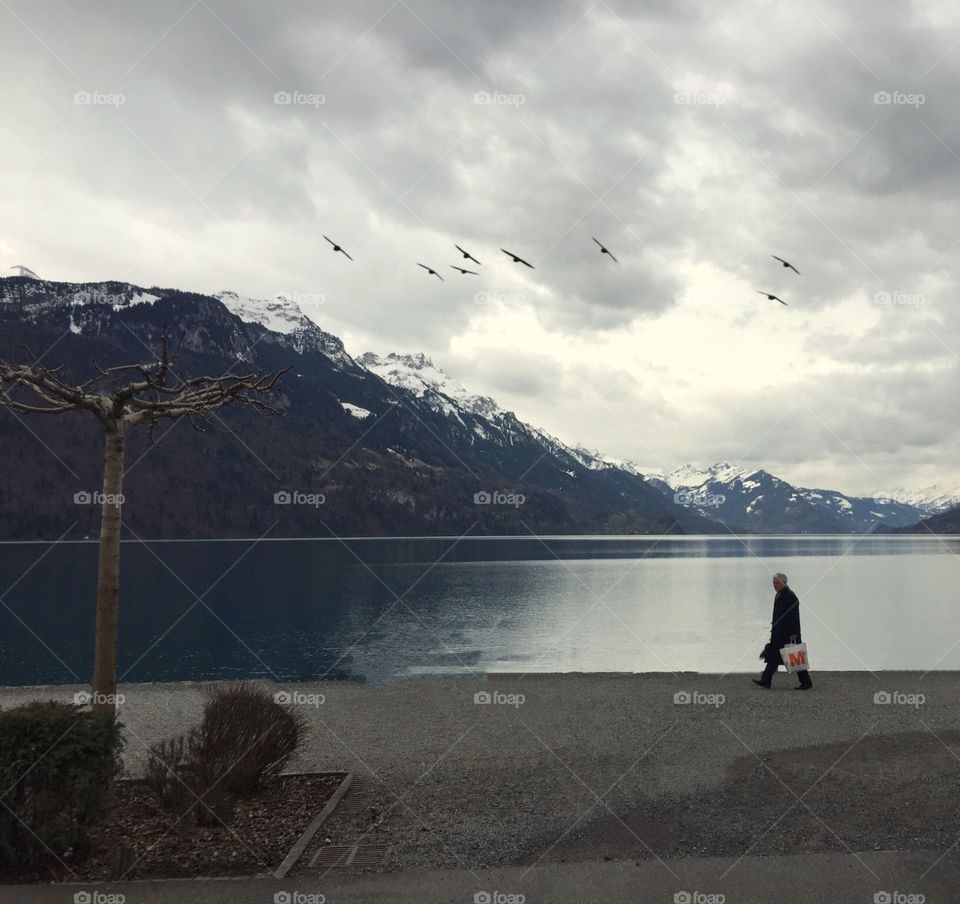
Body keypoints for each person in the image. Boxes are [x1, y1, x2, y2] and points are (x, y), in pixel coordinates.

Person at [753, 572, 813, 690]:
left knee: (794, 657)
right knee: (773, 657)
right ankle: (766, 680)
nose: (774, 585)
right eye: (773, 583)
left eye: (776, 583)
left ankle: (806, 682)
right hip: (778, 633)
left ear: (783, 583)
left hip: (788, 634)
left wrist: (793, 633)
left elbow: (793, 616)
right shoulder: (780, 594)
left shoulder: (790, 596)